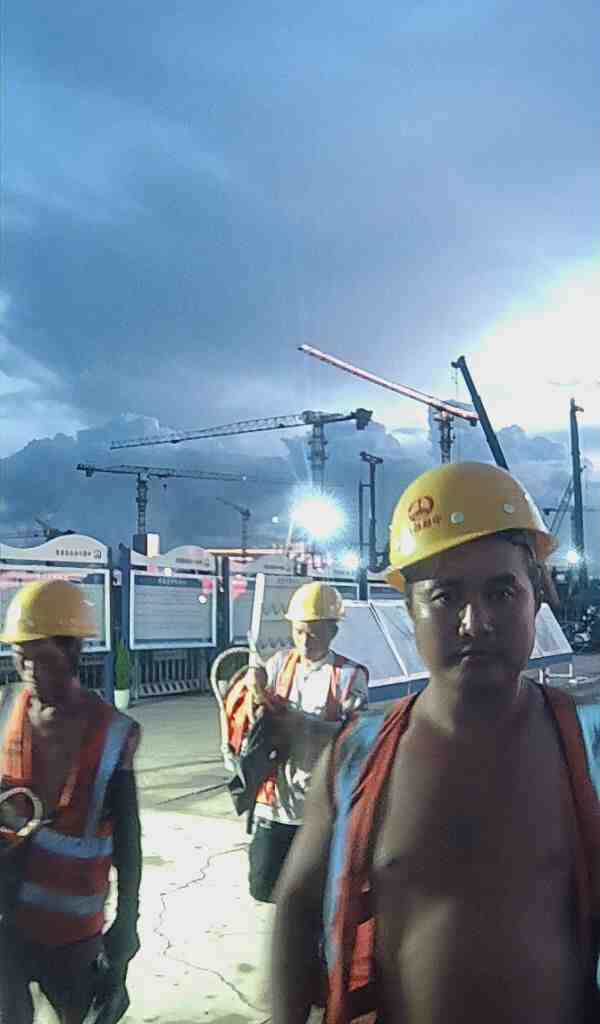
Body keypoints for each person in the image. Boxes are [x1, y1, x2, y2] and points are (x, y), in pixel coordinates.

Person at [270, 462, 600, 1023]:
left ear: (535, 600)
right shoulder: (357, 761)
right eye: (445, 597)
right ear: (410, 612)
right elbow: (295, 908)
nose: (475, 622)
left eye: (502, 591)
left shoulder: (590, 751)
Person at [0, 579, 142, 1024]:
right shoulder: (5, 711)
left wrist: (128, 919)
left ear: (74, 650)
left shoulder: (112, 733)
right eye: (19, 654)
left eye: (39, 655)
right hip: (7, 920)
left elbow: (129, 841)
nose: (27, 667)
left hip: (74, 935)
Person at [240, 580, 369, 903]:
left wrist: (306, 726)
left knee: (313, 898)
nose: (304, 640)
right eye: (298, 632)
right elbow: (253, 715)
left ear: (332, 632)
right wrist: (251, 687)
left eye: (313, 633)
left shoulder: (350, 676)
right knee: (263, 888)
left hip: (321, 805)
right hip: (276, 802)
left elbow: (356, 738)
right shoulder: (278, 664)